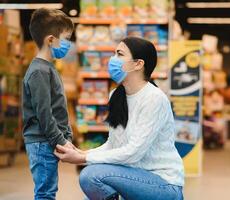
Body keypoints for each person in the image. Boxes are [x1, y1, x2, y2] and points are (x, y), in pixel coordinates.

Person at [54, 37, 184, 200]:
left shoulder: (153, 99)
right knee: (90, 193)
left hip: (163, 185)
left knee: (91, 176)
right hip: (134, 178)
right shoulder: (116, 95)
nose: (113, 59)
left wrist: (83, 158)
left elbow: (133, 152)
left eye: (120, 54)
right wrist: (82, 152)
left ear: (138, 64)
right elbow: (113, 144)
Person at [22, 8, 75, 199]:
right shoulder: (39, 72)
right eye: (66, 38)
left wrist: (67, 136)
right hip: (41, 142)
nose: (68, 44)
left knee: (48, 190)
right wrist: (61, 141)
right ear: (51, 40)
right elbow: (44, 114)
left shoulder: (48, 68)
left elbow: (58, 108)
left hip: (48, 141)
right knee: (46, 193)